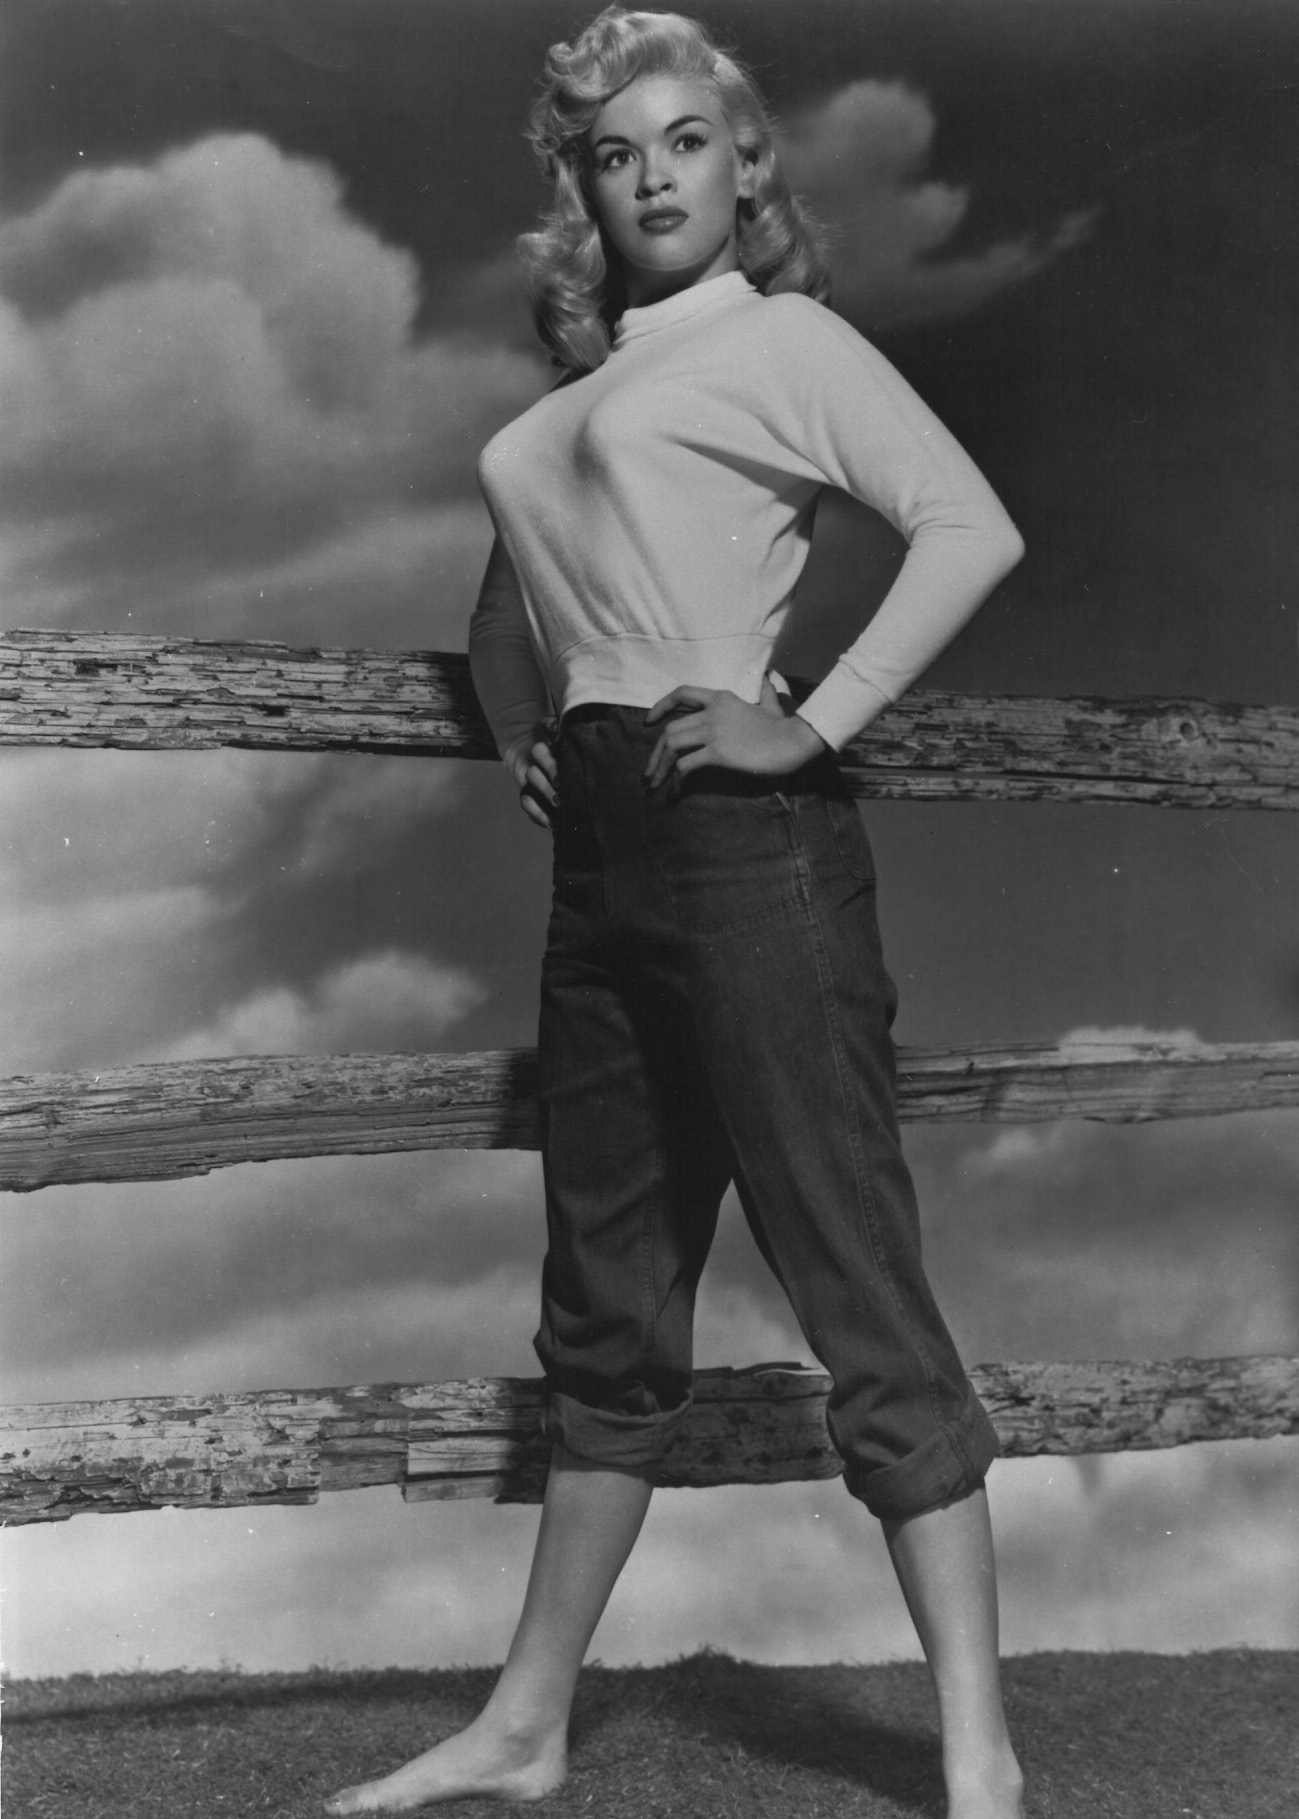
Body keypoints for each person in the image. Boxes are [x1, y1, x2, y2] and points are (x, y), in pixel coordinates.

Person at [326, 9, 1026, 1816]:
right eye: (615, 151)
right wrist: (533, 734)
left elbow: (968, 524)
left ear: (746, 167)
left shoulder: (781, 343)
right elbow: (512, 611)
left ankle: (982, 1765)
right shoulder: (571, 405)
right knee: (608, 1304)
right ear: (583, 185)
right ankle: (527, 1725)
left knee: (854, 1279)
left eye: (689, 141)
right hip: (604, 869)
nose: (653, 175)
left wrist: (815, 719)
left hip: (746, 847)